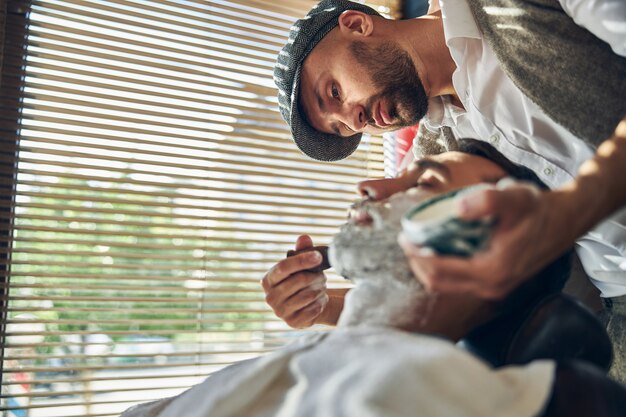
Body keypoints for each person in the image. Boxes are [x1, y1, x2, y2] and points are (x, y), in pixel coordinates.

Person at [122, 140, 623, 417]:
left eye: (425, 183)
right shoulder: (262, 372)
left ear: (488, 239)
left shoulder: (442, 391)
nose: (370, 184)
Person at [272, 0, 626, 381]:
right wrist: (323, 306)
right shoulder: (435, 154)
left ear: (357, 24)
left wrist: (571, 210)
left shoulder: (512, 10)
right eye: (342, 129)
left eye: (335, 93)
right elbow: (423, 289)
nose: (354, 121)